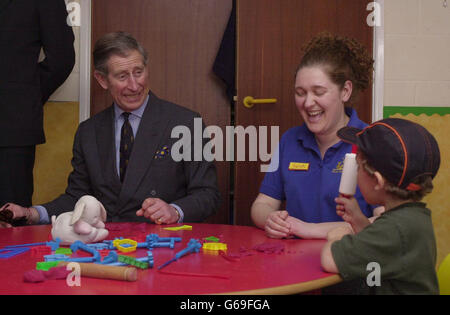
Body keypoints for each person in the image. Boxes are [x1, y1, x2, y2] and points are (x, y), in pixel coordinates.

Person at [0, 31, 220, 227]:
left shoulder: (185, 122)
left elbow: (207, 194)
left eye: (139, 72)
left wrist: (175, 211)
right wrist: (32, 213)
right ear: (102, 79)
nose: (134, 86)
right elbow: (77, 197)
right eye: (122, 76)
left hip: (162, 245)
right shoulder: (88, 132)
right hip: (104, 248)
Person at [251, 33, 379, 239]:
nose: (308, 102)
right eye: (300, 93)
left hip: (347, 262)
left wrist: (310, 231)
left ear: (345, 91)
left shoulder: (372, 142)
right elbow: (262, 204)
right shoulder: (289, 140)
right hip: (293, 261)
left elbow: (384, 221)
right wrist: (271, 219)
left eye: (318, 92)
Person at [321, 118, 440, 295]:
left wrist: (337, 237)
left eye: (358, 167)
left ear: (377, 181)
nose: (356, 171)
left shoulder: (396, 228)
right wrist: (358, 219)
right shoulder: (412, 217)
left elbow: (329, 259)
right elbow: (382, 249)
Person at [0, 0, 75, 208]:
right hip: (13, 122)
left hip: (10, 128)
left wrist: (25, 95)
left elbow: (62, 59)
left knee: (10, 219)